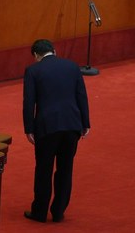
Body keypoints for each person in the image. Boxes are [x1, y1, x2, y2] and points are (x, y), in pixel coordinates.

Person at [22, 39, 90, 223]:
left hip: (47, 127)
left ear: (36, 55)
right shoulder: (72, 67)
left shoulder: (33, 71)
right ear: (54, 50)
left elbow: (29, 102)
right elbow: (81, 96)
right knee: (65, 169)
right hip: (72, 125)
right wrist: (85, 123)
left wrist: (28, 128)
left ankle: (40, 212)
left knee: (44, 169)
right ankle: (59, 211)